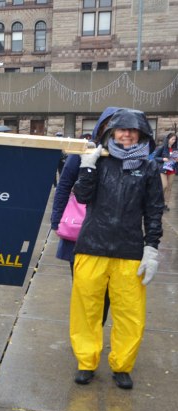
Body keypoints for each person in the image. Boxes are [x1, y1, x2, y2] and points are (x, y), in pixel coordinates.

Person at [70, 108, 164, 390]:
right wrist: (87, 167)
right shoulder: (99, 162)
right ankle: (86, 362)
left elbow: (154, 210)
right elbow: (83, 197)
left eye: (133, 131)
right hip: (92, 246)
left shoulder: (148, 168)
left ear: (142, 135)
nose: (127, 134)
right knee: (86, 309)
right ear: (112, 133)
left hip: (129, 250)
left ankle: (122, 366)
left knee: (130, 314)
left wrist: (152, 248)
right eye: (122, 130)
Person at [51, 107, 119, 326]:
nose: (114, 130)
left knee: (107, 290)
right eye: (109, 124)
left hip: (112, 234)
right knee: (82, 288)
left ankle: (95, 328)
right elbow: (64, 187)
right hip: (80, 232)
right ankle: (84, 332)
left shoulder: (131, 158)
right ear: (101, 127)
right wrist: (56, 219)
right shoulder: (83, 153)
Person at [153, 132, 177, 211]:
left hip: (172, 170)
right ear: (168, 139)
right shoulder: (162, 147)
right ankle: (158, 202)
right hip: (163, 169)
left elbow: (175, 159)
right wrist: (163, 159)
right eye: (172, 139)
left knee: (169, 188)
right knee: (164, 186)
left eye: (175, 139)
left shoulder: (175, 149)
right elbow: (155, 157)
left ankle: (165, 204)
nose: (174, 141)